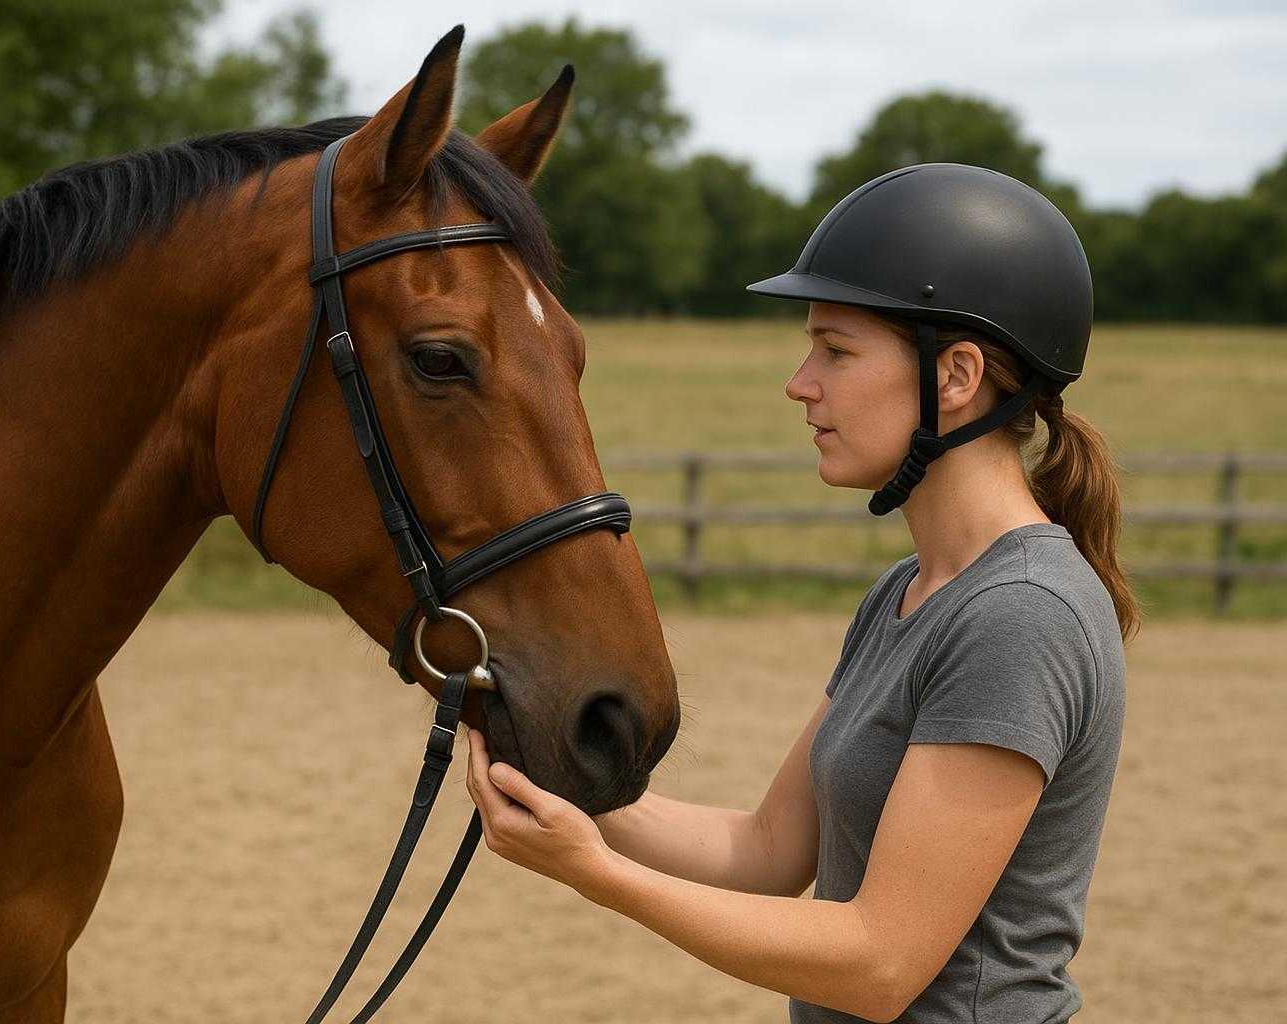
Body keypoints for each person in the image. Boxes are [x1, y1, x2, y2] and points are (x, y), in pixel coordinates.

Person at [465, 163, 1133, 1023]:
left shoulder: (1021, 615)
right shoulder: (909, 594)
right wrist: (553, 782)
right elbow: (768, 851)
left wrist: (596, 874)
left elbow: (880, 963)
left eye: (836, 350)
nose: (800, 381)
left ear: (958, 375)